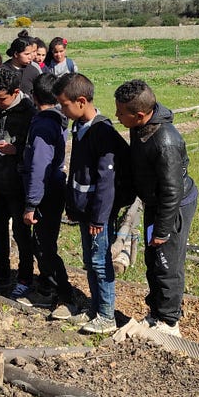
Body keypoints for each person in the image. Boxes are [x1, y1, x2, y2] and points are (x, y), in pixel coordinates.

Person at [114, 79, 198, 337]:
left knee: (167, 262)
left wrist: (162, 230)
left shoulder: (165, 142)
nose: (117, 116)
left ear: (139, 115)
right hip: (155, 202)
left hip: (171, 208)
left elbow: (172, 192)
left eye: (121, 113)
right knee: (153, 259)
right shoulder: (140, 127)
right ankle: (156, 312)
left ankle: (170, 322)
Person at [53, 73, 129, 334]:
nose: (62, 109)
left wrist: (99, 218)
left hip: (98, 213)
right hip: (85, 209)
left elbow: (106, 183)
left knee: (99, 261)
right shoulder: (80, 126)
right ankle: (96, 309)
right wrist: (74, 207)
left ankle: (107, 315)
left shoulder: (102, 132)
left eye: (64, 104)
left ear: (81, 101)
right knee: (90, 260)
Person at [0, 65, 36, 298]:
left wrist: (17, 150)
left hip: (17, 184)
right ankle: (1, 272)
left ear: (15, 92)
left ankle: (25, 277)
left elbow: (36, 150)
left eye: (2, 98)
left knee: (22, 235)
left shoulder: (29, 113)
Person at [20, 72, 72, 308]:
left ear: (34, 96)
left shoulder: (42, 125)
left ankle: (57, 290)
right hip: (55, 186)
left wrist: (31, 203)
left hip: (46, 191)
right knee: (45, 242)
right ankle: (49, 286)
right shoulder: (59, 119)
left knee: (43, 245)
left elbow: (39, 166)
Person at [2, 30, 41, 97]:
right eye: (27, 54)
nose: (30, 57)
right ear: (16, 54)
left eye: (32, 53)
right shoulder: (3, 71)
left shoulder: (33, 71)